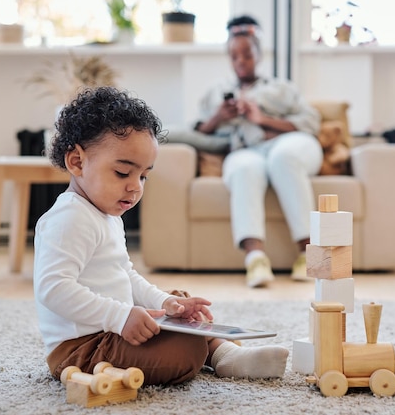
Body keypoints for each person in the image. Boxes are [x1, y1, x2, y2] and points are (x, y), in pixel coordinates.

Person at [33, 86, 289, 386]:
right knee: (185, 349)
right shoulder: (69, 217)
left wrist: (164, 303)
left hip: (112, 328)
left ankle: (225, 354)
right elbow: (53, 288)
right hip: (82, 349)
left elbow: (124, 275)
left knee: (181, 308)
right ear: (76, 162)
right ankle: (211, 353)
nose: (135, 187)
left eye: (143, 175)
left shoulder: (105, 214)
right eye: (122, 173)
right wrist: (120, 316)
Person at [194, 15, 323, 288]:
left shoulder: (281, 88)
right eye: (234, 56)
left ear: (258, 55)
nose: (241, 61)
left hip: (290, 143)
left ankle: (310, 255)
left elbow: (311, 123)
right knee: (243, 168)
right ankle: (255, 259)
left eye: (247, 54)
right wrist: (218, 116)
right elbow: (200, 131)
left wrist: (261, 118)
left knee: (283, 158)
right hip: (246, 150)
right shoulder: (217, 93)